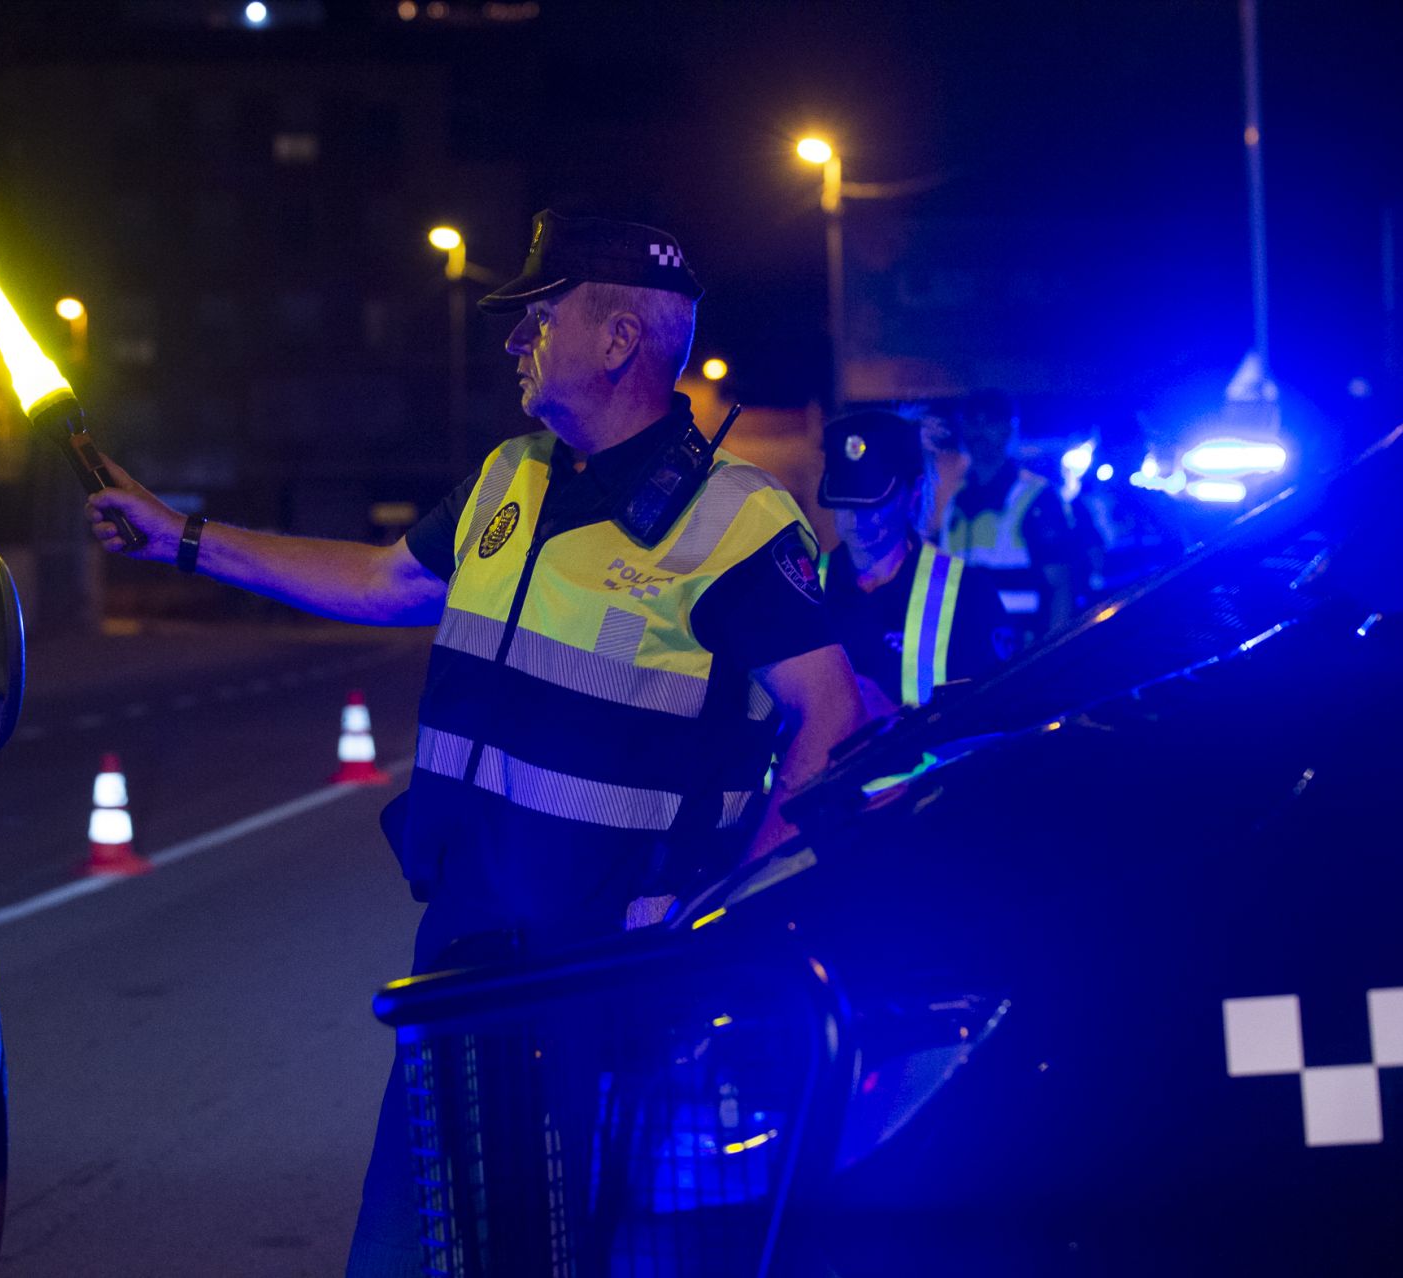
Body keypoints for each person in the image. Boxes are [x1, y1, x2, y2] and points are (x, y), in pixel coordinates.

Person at [84, 209, 864, 1276]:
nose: (513, 340)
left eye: (536, 317)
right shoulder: (511, 477)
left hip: (610, 978)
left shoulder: (736, 522)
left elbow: (831, 715)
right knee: (414, 1247)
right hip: (466, 953)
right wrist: (179, 539)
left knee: (585, 1249)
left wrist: (728, 908)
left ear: (618, 340)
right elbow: (377, 580)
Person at [816, 410, 1008, 718]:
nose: (854, 516)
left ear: (915, 490)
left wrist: (893, 719)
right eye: (843, 499)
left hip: (924, 768)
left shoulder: (966, 594)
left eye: (873, 501)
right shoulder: (803, 589)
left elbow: (991, 721)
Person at [935, 390, 1082, 648]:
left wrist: (1051, 656)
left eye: (990, 422)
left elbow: (1062, 586)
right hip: (970, 646)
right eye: (972, 422)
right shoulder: (957, 500)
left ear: (1009, 428)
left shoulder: (1037, 497)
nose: (979, 432)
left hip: (1022, 647)